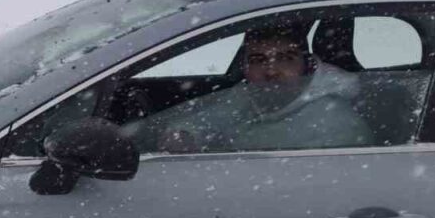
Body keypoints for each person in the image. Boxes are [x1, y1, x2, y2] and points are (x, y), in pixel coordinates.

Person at [140, 24, 373, 154]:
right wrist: (184, 134)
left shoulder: (335, 124)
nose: (271, 71)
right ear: (245, 67)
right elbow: (208, 120)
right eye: (259, 60)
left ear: (307, 65)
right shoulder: (246, 97)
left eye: (285, 58)